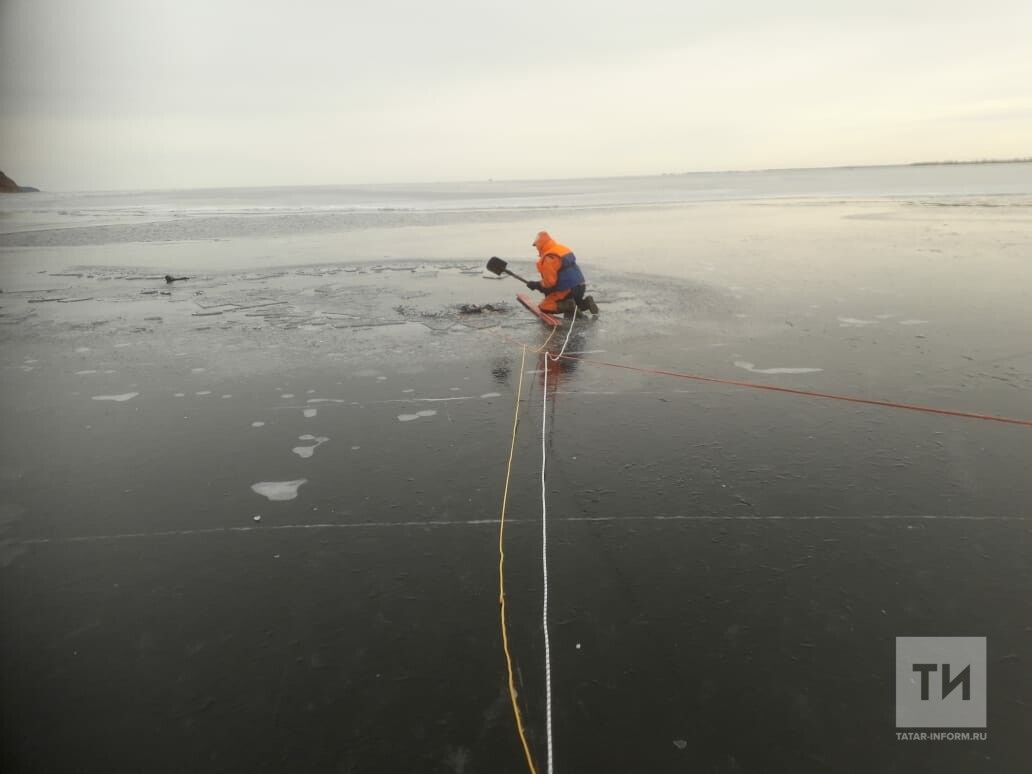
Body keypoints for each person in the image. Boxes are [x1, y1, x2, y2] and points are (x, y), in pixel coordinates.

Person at [525, 231, 599, 316]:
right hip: (581, 286)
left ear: (540, 244)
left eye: (536, 245)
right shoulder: (561, 249)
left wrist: (536, 285)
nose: (536, 248)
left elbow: (550, 283)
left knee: (544, 306)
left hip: (568, 289)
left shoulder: (548, 258)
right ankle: (585, 303)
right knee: (575, 303)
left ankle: (568, 305)